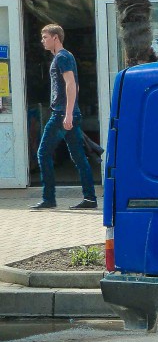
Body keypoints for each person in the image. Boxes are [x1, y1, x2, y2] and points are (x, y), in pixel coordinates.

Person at [31, 24, 97, 210]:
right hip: (67, 113)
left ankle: (49, 198)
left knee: (43, 153)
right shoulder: (66, 56)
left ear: (56, 38)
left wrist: (68, 113)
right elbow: (75, 85)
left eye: (45, 37)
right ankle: (90, 198)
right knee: (79, 157)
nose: (42, 41)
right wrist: (72, 111)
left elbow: (71, 84)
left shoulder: (62, 57)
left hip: (61, 114)